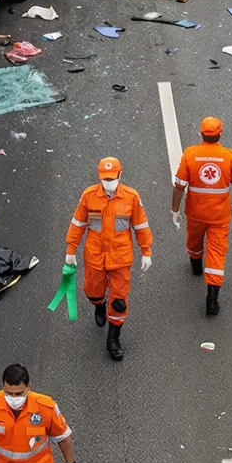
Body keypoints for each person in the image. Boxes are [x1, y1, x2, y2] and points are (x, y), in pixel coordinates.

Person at [63, 154, 153, 361]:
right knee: (92, 291)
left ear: (120, 175)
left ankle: (114, 339)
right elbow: (78, 223)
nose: (109, 182)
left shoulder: (131, 197)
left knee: (119, 301)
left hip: (120, 258)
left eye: (112, 178)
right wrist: (70, 250)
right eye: (105, 178)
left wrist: (146, 251)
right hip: (95, 256)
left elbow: (141, 225)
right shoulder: (89, 196)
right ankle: (99, 305)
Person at [170, 115, 232, 317]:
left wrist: (175, 210)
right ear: (221, 133)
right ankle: (211, 301)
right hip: (219, 216)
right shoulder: (230, 156)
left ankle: (196, 267)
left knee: (194, 242)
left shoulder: (190, 155)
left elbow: (179, 186)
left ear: (201, 133)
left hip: (195, 212)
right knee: (217, 253)